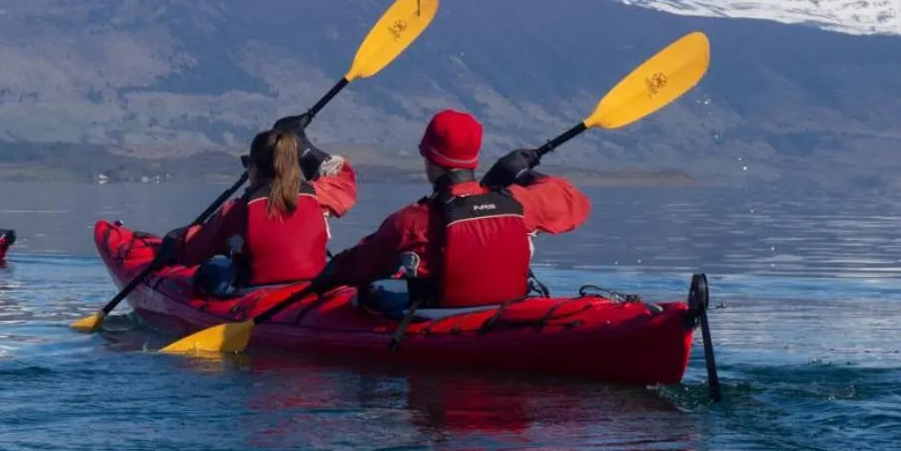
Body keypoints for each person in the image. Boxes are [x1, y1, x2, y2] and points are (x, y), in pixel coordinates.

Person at [314, 109, 590, 309]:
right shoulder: (518, 203)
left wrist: (323, 279)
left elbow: (357, 265)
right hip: (505, 310)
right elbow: (572, 199)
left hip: (441, 320)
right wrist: (522, 173)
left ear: (430, 160)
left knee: (371, 294)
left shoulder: (413, 221)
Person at [163, 123, 357, 296]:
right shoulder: (318, 196)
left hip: (257, 296)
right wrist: (306, 148)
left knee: (214, 270)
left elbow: (195, 250)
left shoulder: (238, 210)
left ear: (254, 167)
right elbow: (343, 179)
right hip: (310, 289)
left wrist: (176, 241)